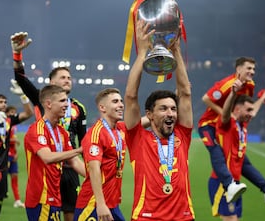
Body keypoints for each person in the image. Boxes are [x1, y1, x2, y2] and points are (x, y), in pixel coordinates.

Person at [10, 31, 87, 221]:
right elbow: (21, 79)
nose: (67, 80)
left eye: (69, 78)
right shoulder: (41, 99)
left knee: (70, 213)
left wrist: (95, 173)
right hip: (48, 160)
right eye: (62, 78)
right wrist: (17, 55)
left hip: (68, 165)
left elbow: (83, 139)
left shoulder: (78, 108)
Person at [124, 20, 195, 221]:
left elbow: (186, 95)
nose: (170, 113)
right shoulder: (137, 138)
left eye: (173, 109)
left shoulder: (183, 135)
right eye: (163, 109)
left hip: (184, 217)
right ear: (150, 114)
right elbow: (130, 97)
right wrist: (141, 54)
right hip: (147, 217)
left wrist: (177, 52)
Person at [198, 56, 265, 203]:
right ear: (238, 69)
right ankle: (229, 186)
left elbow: (246, 107)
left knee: (242, 160)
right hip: (209, 125)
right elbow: (205, 99)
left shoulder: (250, 85)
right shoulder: (227, 84)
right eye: (249, 68)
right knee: (216, 151)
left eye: (254, 69)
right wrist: (225, 114)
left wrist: (264, 97)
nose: (252, 71)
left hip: (228, 125)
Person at [24, 84, 86, 221]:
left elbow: (74, 161)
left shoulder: (62, 132)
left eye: (67, 101)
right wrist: (79, 150)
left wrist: (96, 178)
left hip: (55, 197)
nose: (67, 105)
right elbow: (47, 157)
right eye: (62, 101)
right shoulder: (36, 130)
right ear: (48, 104)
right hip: (40, 199)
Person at [0, 84, 33, 221]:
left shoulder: (8, 120)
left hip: (2, 169)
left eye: (5, 102)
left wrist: (23, 96)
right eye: (0, 102)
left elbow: (28, 114)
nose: (4, 104)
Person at [74, 88, 127, 221]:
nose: (121, 105)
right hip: (93, 204)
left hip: (112, 204)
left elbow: (142, 122)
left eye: (121, 101)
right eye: (115, 101)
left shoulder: (119, 129)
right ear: (102, 107)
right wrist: (101, 204)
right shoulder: (95, 133)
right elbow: (93, 169)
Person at [210, 79, 255, 220]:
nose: (251, 114)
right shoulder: (228, 124)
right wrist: (233, 94)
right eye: (248, 110)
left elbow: (252, 112)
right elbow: (225, 114)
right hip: (222, 183)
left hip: (236, 183)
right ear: (237, 109)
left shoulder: (242, 126)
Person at [5, 105, 25, 208]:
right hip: (5, 155)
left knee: (14, 176)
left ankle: (17, 200)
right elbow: (2, 140)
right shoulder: (4, 125)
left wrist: (16, 153)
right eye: (11, 112)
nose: (13, 114)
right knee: (0, 177)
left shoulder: (14, 127)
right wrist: (14, 140)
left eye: (14, 112)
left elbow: (12, 142)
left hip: (13, 155)